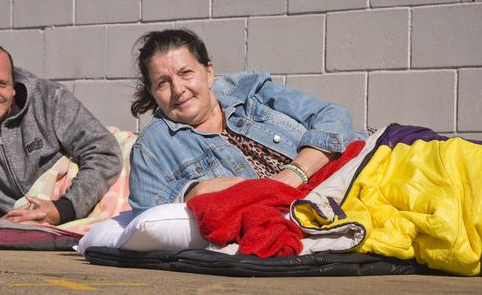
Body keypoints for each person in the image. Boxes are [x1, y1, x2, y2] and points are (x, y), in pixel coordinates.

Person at [128, 29, 366, 215]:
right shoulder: (153, 146)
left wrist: (293, 174)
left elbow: (334, 116)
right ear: (152, 93)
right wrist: (193, 191)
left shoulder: (249, 90)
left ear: (209, 72)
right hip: (301, 210)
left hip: (351, 170)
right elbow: (148, 210)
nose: (178, 89)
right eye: (163, 83)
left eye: (186, 73)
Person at [0, 41, 122, 225]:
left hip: (90, 198)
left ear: (13, 85)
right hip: (33, 222)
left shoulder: (49, 99)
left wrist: (64, 208)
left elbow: (104, 151)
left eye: (1, 84)